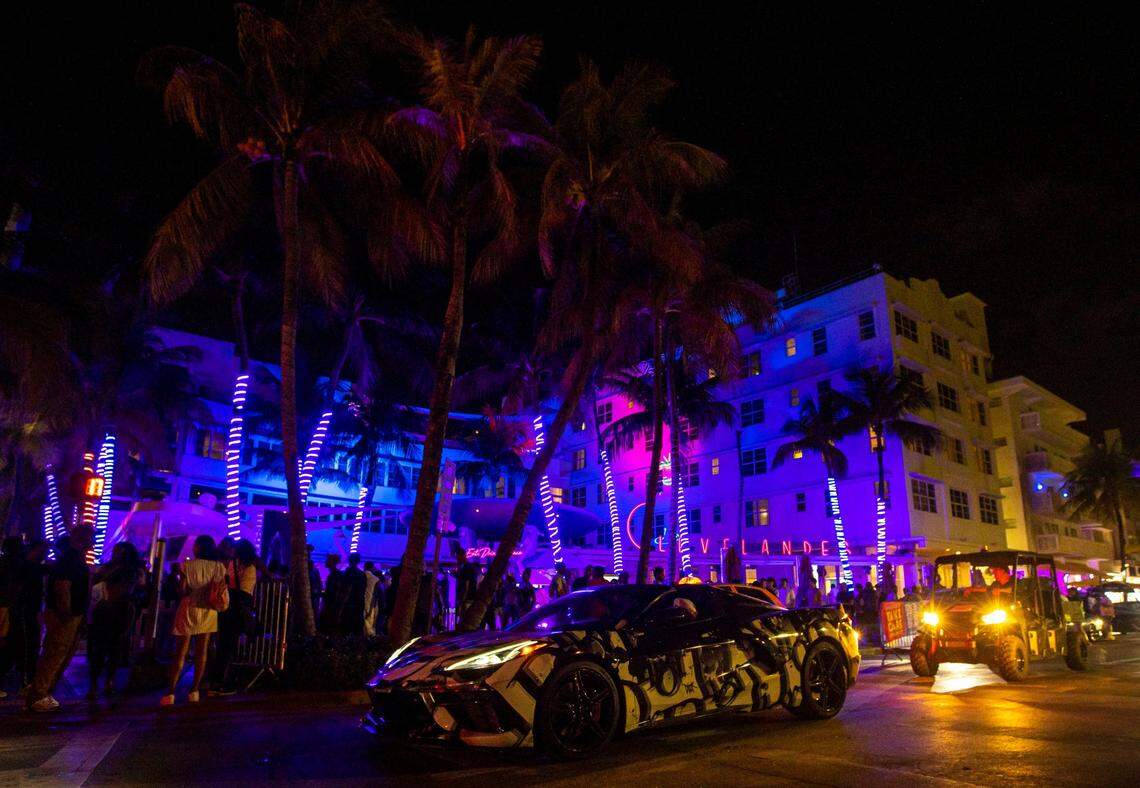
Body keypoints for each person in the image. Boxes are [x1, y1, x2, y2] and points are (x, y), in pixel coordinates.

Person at [28, 526, 94, 712]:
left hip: (71, 614)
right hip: (66, 615)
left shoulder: (72, 559)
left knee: (59, 654)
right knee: (55, 654)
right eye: (89, 536)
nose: (92, 540)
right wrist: (66, 613)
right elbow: (62, 587)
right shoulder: (71, 560)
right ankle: (39, 695)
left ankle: (43, 692)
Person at [161, 535, 226, 706]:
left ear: (198, 547)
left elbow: (182, 591)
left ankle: (170, 693)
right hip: (209, 610)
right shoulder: (219, 567)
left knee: (180, 652)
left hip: (188, 609)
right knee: (202, 652)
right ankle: (194, 690)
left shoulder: (187, 566)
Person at [87, 541, 146, 699]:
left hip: (113, 608)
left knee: (107, 648)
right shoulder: (131, 570)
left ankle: (100, 684)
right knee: (109, 647)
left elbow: (96, 580)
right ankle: (104, 683)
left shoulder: (116, 569)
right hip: (116, 608)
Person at [210, 539, 258, 696]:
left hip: (227, 608)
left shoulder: (231, 564)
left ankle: (215, 680)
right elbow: (245, 593)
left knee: (223, 644)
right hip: (239, 609)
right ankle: (224, 683)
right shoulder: (250, 568)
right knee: (231, 646)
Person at [319, 554, 348, 635]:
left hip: (331, 607)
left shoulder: (335, 575)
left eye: (327, 560)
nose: (325, 561)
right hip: (332, 606)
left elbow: (334, 593)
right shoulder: (335, 574)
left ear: (332, 562)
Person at [341, 554, 366, 636]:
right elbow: (363, 590)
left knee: (345, 628)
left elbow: (343, 589)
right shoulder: (361, 574)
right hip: (357, 604)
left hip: (347, 604)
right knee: (356, 629)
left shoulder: (345, 573)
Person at [362, 561, 380, 636]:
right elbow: (375, 595)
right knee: (369, 627)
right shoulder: (375, 579)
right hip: (371, 604)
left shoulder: (360, 575)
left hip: (360, 603)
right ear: (372, 567)